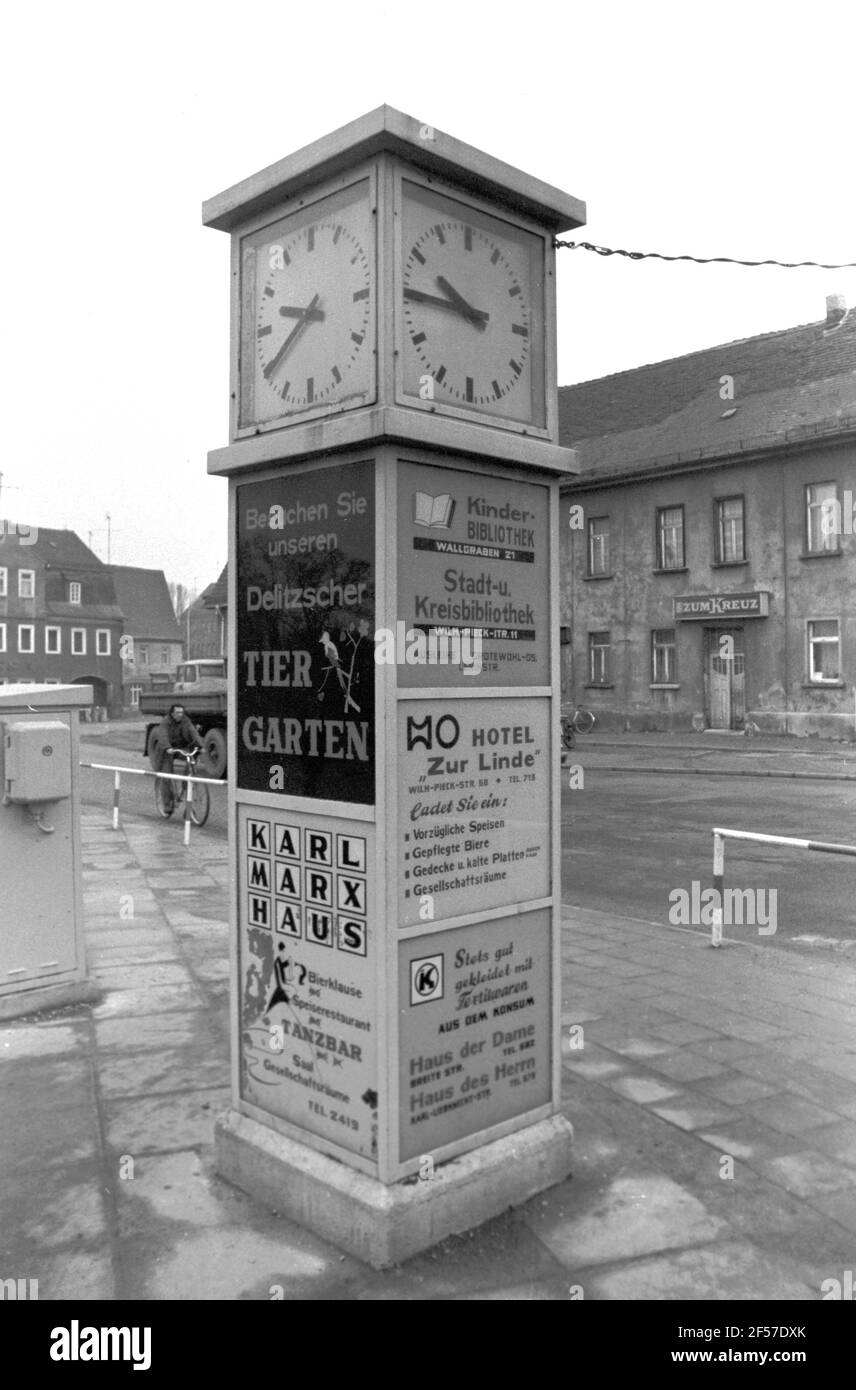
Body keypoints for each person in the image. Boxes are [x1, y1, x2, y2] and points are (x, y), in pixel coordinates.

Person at [153, 704, 204, 774]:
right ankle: (166, 782)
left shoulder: (185, 720)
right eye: (178, 712)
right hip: (167, 748)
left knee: (191, 760)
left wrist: (200, 745)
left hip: (181, 746)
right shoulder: (166, 721)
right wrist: (167, 747)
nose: (180, 715)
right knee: (166, 770)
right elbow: (162, 735)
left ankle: (187, 781)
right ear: (172, 713)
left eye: (181, 712)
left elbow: (193, 732)